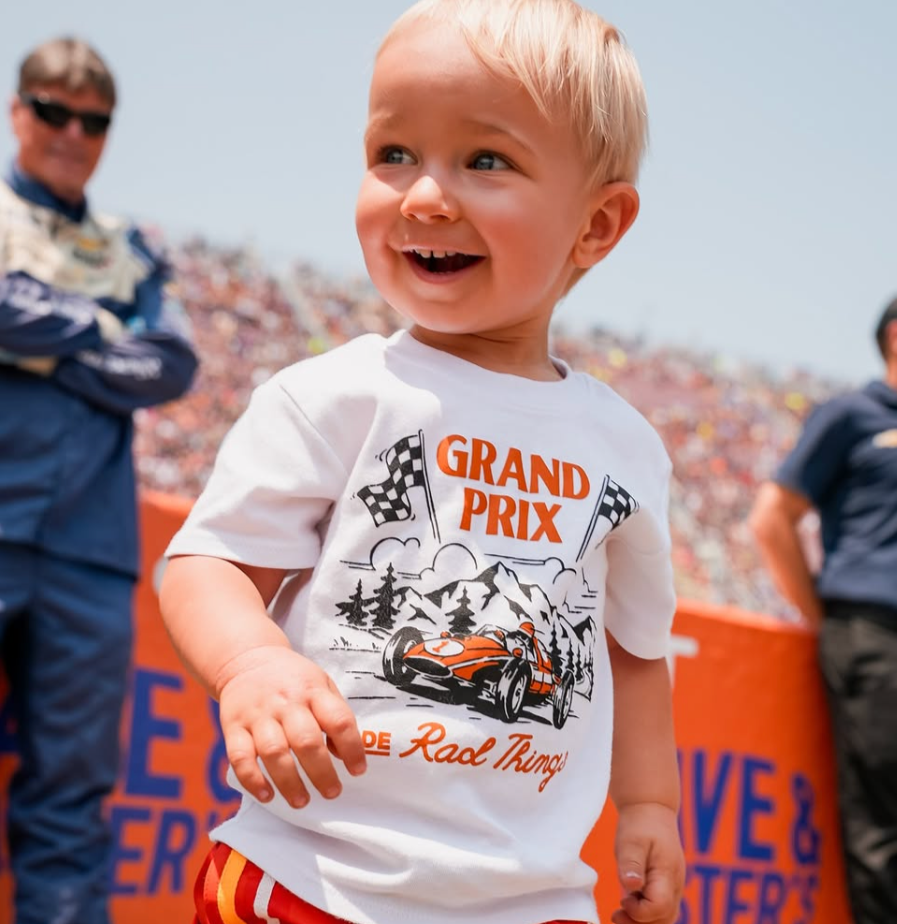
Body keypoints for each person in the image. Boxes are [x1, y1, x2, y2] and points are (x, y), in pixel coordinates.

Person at [160, 2, 684, 923]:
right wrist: (251, 664)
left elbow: (635, 651)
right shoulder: (334, 395)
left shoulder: (625, 447)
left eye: (486, 161)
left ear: (597, 226)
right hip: (315, 876)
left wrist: (651, 805)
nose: (424, 196)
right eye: (393, 153)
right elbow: (208, 562)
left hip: (533, 896)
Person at [0, 37, 198, 924]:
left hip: (89, 550)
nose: (71, 132)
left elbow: (172, 362)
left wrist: (43, 346)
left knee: (72, 803)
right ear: (17, 111)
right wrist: (100, 328)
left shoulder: (135, 248)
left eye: (93, 120)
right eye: (51, 110)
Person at [749, 289, 897, 924]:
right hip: (874, 634)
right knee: (880, 828)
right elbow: (773, 518)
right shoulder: (852, 415)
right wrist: (828, 620)